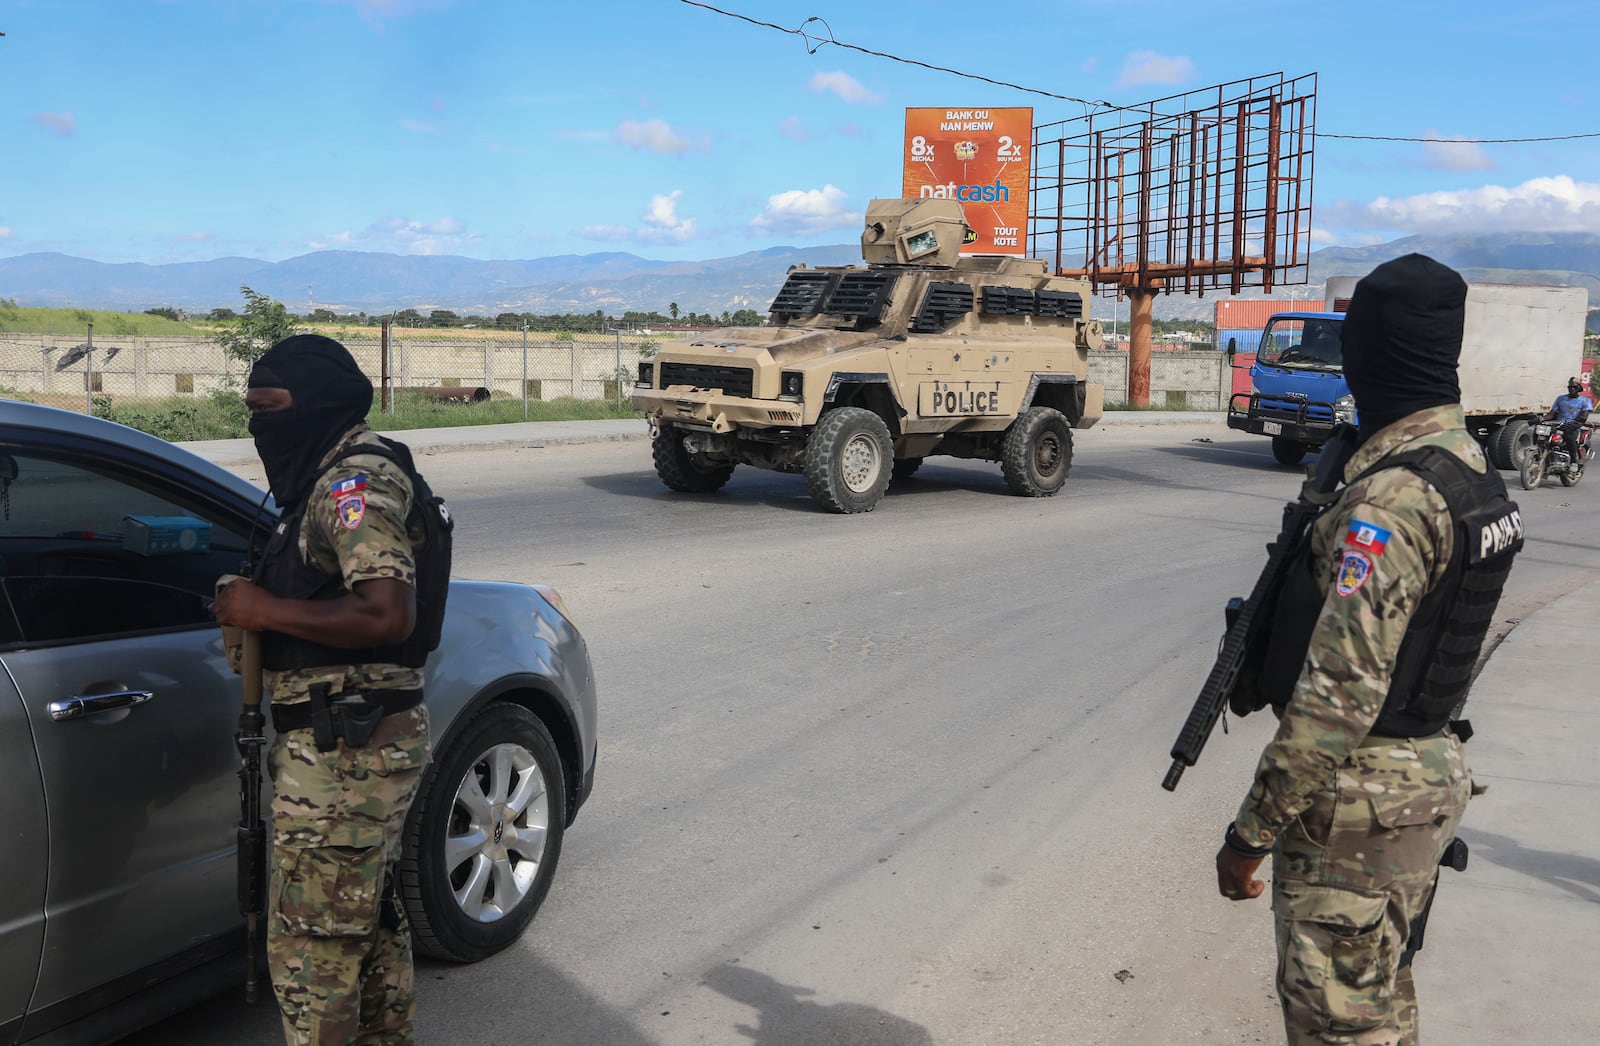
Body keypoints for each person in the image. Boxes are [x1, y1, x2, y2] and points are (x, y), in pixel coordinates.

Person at [1214, 255, 1524, 1044]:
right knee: (1380, 1009)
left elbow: (1337, 700)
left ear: (1371, 355)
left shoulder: (1391, 499)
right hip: (1419, 787)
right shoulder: (1468, 468)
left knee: (1339, 1030)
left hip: (1357, 808)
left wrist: (1250, 834)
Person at [213, 334, 434, 1046]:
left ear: (316, 403)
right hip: (351, 747)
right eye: (249, 408)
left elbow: (386, 610)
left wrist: (260, 611)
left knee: (314, 951)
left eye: (269, 407)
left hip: (345, 754)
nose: (258, 424)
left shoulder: (352, 484)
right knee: (362, 930)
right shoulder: (322, 479)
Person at [1543, 377, 1593, 472]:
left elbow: (1584, 415)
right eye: (1570, 387)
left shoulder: (1585, 401)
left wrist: (1578, 423)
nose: (1571, 389)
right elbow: (1551, 414)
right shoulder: (1561, 398)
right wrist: (1540, 419)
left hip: (1572, 426)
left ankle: (1573, 462)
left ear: (1579, 388)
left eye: (1574, 387)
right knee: (1541, 435)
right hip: (1559, 424)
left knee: (1570, 438)